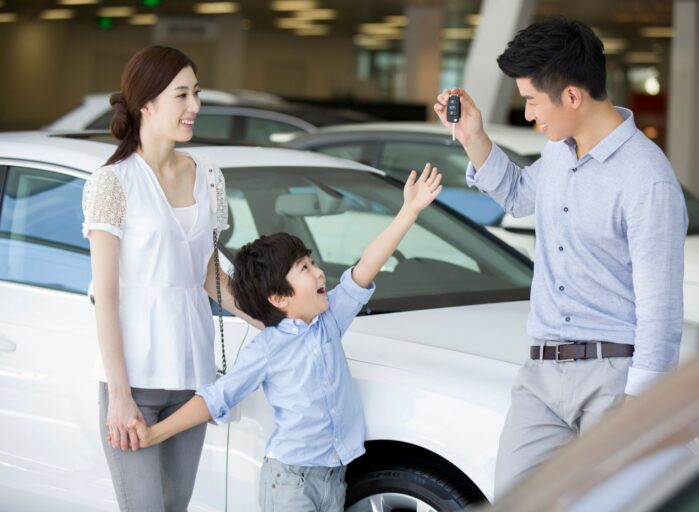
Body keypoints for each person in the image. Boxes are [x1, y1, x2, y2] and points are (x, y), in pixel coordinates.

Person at [434, 16, 688, 498]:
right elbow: (517, 197)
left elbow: (661, 310)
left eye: (531, 101)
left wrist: (640, 405)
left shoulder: (647, 180)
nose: (530, 114)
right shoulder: (559, 153)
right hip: (542, 374)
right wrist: (471, 136)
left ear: (572, 96)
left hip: (613, 378)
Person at [128, 164, 443, 511]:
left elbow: (367, 263)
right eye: (305, 269)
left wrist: (409, 210)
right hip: (290, 482)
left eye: (311, 261)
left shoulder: (330, 319)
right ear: (278, 299)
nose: (319, 270)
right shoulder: (268, 348)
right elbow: (217, 397)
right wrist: (154, 434)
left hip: (333, 477)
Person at [82, 46, 262, 511]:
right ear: (147, 103)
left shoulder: (207, 176)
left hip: (193, 379)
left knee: (174, 507)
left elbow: (209, 275)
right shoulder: (113, 183)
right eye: (182, 94)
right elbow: (107, 296)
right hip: (135, 383)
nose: (195, 106)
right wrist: (119, 398)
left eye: (196, 93)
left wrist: (269, 319)